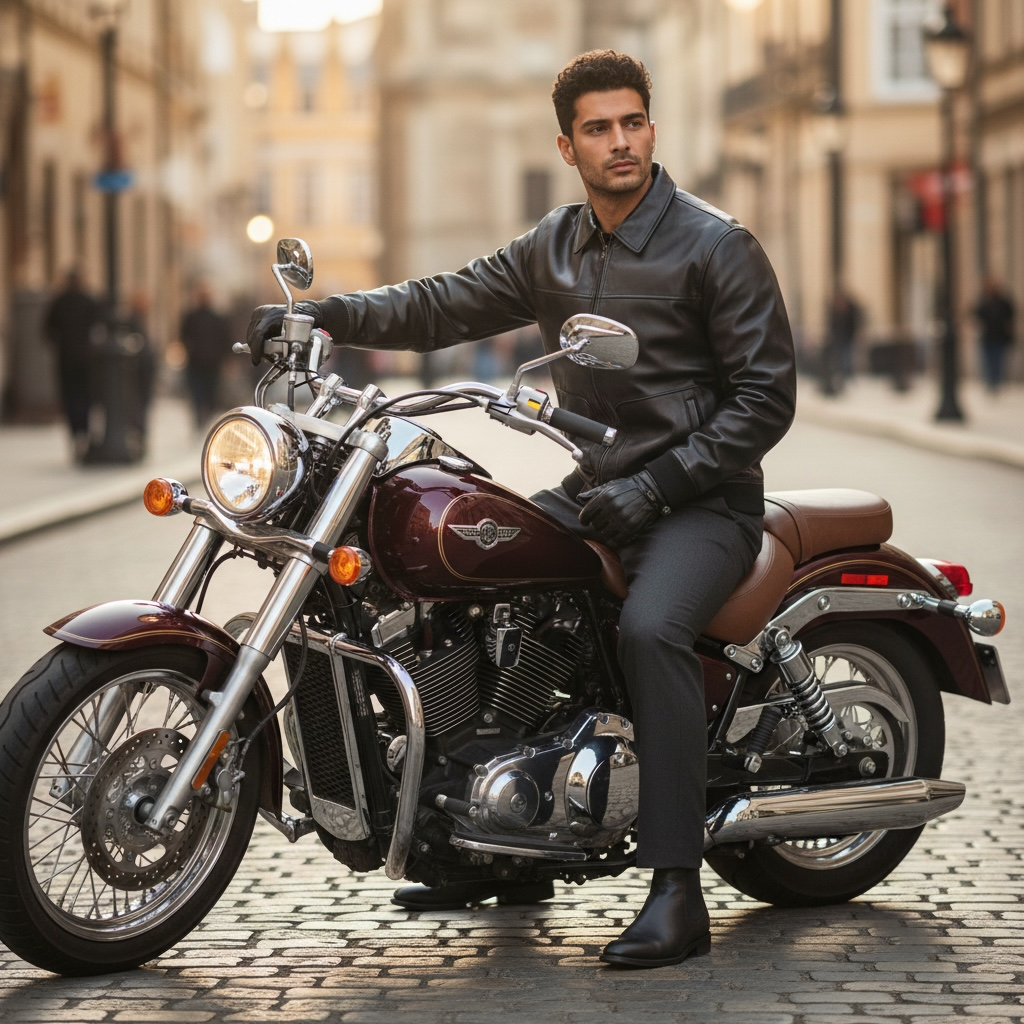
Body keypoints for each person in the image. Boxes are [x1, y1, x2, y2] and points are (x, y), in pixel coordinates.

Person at [247, 49, 796, 968]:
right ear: (568, 144)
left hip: (702, 503)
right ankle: (501, 850)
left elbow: (765, 399)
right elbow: (443, 303)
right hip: (596, 488)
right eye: (597, 129)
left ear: (652, 129)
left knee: (651, 629)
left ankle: (676, 886)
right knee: (483, 587)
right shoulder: (554, 243)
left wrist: (657, 485)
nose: (618, 142)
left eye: (631, 123)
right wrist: (330, 316)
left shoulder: (715, 244)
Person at [43, 269, 103, 461]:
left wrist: (62, 343)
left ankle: (75, 435)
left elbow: (47, 330)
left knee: (70, 398)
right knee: (86, 398)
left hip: (66, 359)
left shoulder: (59, 302)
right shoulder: (89, 301)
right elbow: (100, 326)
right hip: (87, 360)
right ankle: (83, 434)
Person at [180, 283, 233, 429]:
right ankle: (201, 418)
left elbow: (225, 340)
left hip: (208, 363)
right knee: (201, 393)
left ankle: (203, 418)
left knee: (206, 393)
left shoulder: (208, 318)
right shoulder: (192, 317)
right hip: (200, 363)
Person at [972, 277, 1015, 393]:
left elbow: (1010, 317)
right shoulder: (984, 301)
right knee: (988, 360)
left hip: (999, 336)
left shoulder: (1003, 302)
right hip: (988, 337)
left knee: (998, 360)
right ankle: (991, 382)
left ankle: (995, 381)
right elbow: (976, 315)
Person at [823, 286, 864, 393]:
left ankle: (848, 378)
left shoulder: (850, 309)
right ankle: (842, 379)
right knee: (840, 359)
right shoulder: (835, 309)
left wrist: (855, 334)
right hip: (838, 338)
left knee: (848, 358)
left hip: (848, 338)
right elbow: (832, 324)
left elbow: (854, 323)